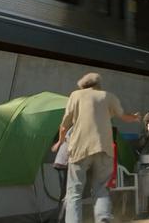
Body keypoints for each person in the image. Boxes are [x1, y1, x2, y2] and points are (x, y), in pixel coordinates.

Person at [51, 73, 139, 223]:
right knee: (101, 189)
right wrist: (135, 117)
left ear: (83, 85)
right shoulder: (108, 96)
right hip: (103, 149)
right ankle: (103, 218)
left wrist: (59, 142)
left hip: (80, 149)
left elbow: (64, 124)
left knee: (74, 193)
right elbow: (124, 116)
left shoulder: (75, 95)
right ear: (98, 84)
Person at [52, 128, 72, 223]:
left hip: (64, 162)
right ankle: (61, 220)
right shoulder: (75, 124)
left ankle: (62, 219)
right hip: (65, 162)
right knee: (66, 194)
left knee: (66, 193)